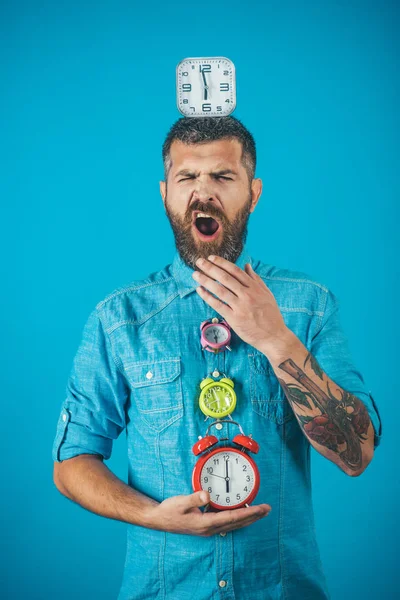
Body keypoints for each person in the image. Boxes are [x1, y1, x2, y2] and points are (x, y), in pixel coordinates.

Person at [52, 116, 383, 600]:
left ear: (254, 192)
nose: (203, 193)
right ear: (165, 193)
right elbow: (70, 463)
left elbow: (357, 454)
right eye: (187, 178)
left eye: (223, 177)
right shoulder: (118, 318)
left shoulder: (308, 306)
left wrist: (275, 339)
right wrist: (153, 516)